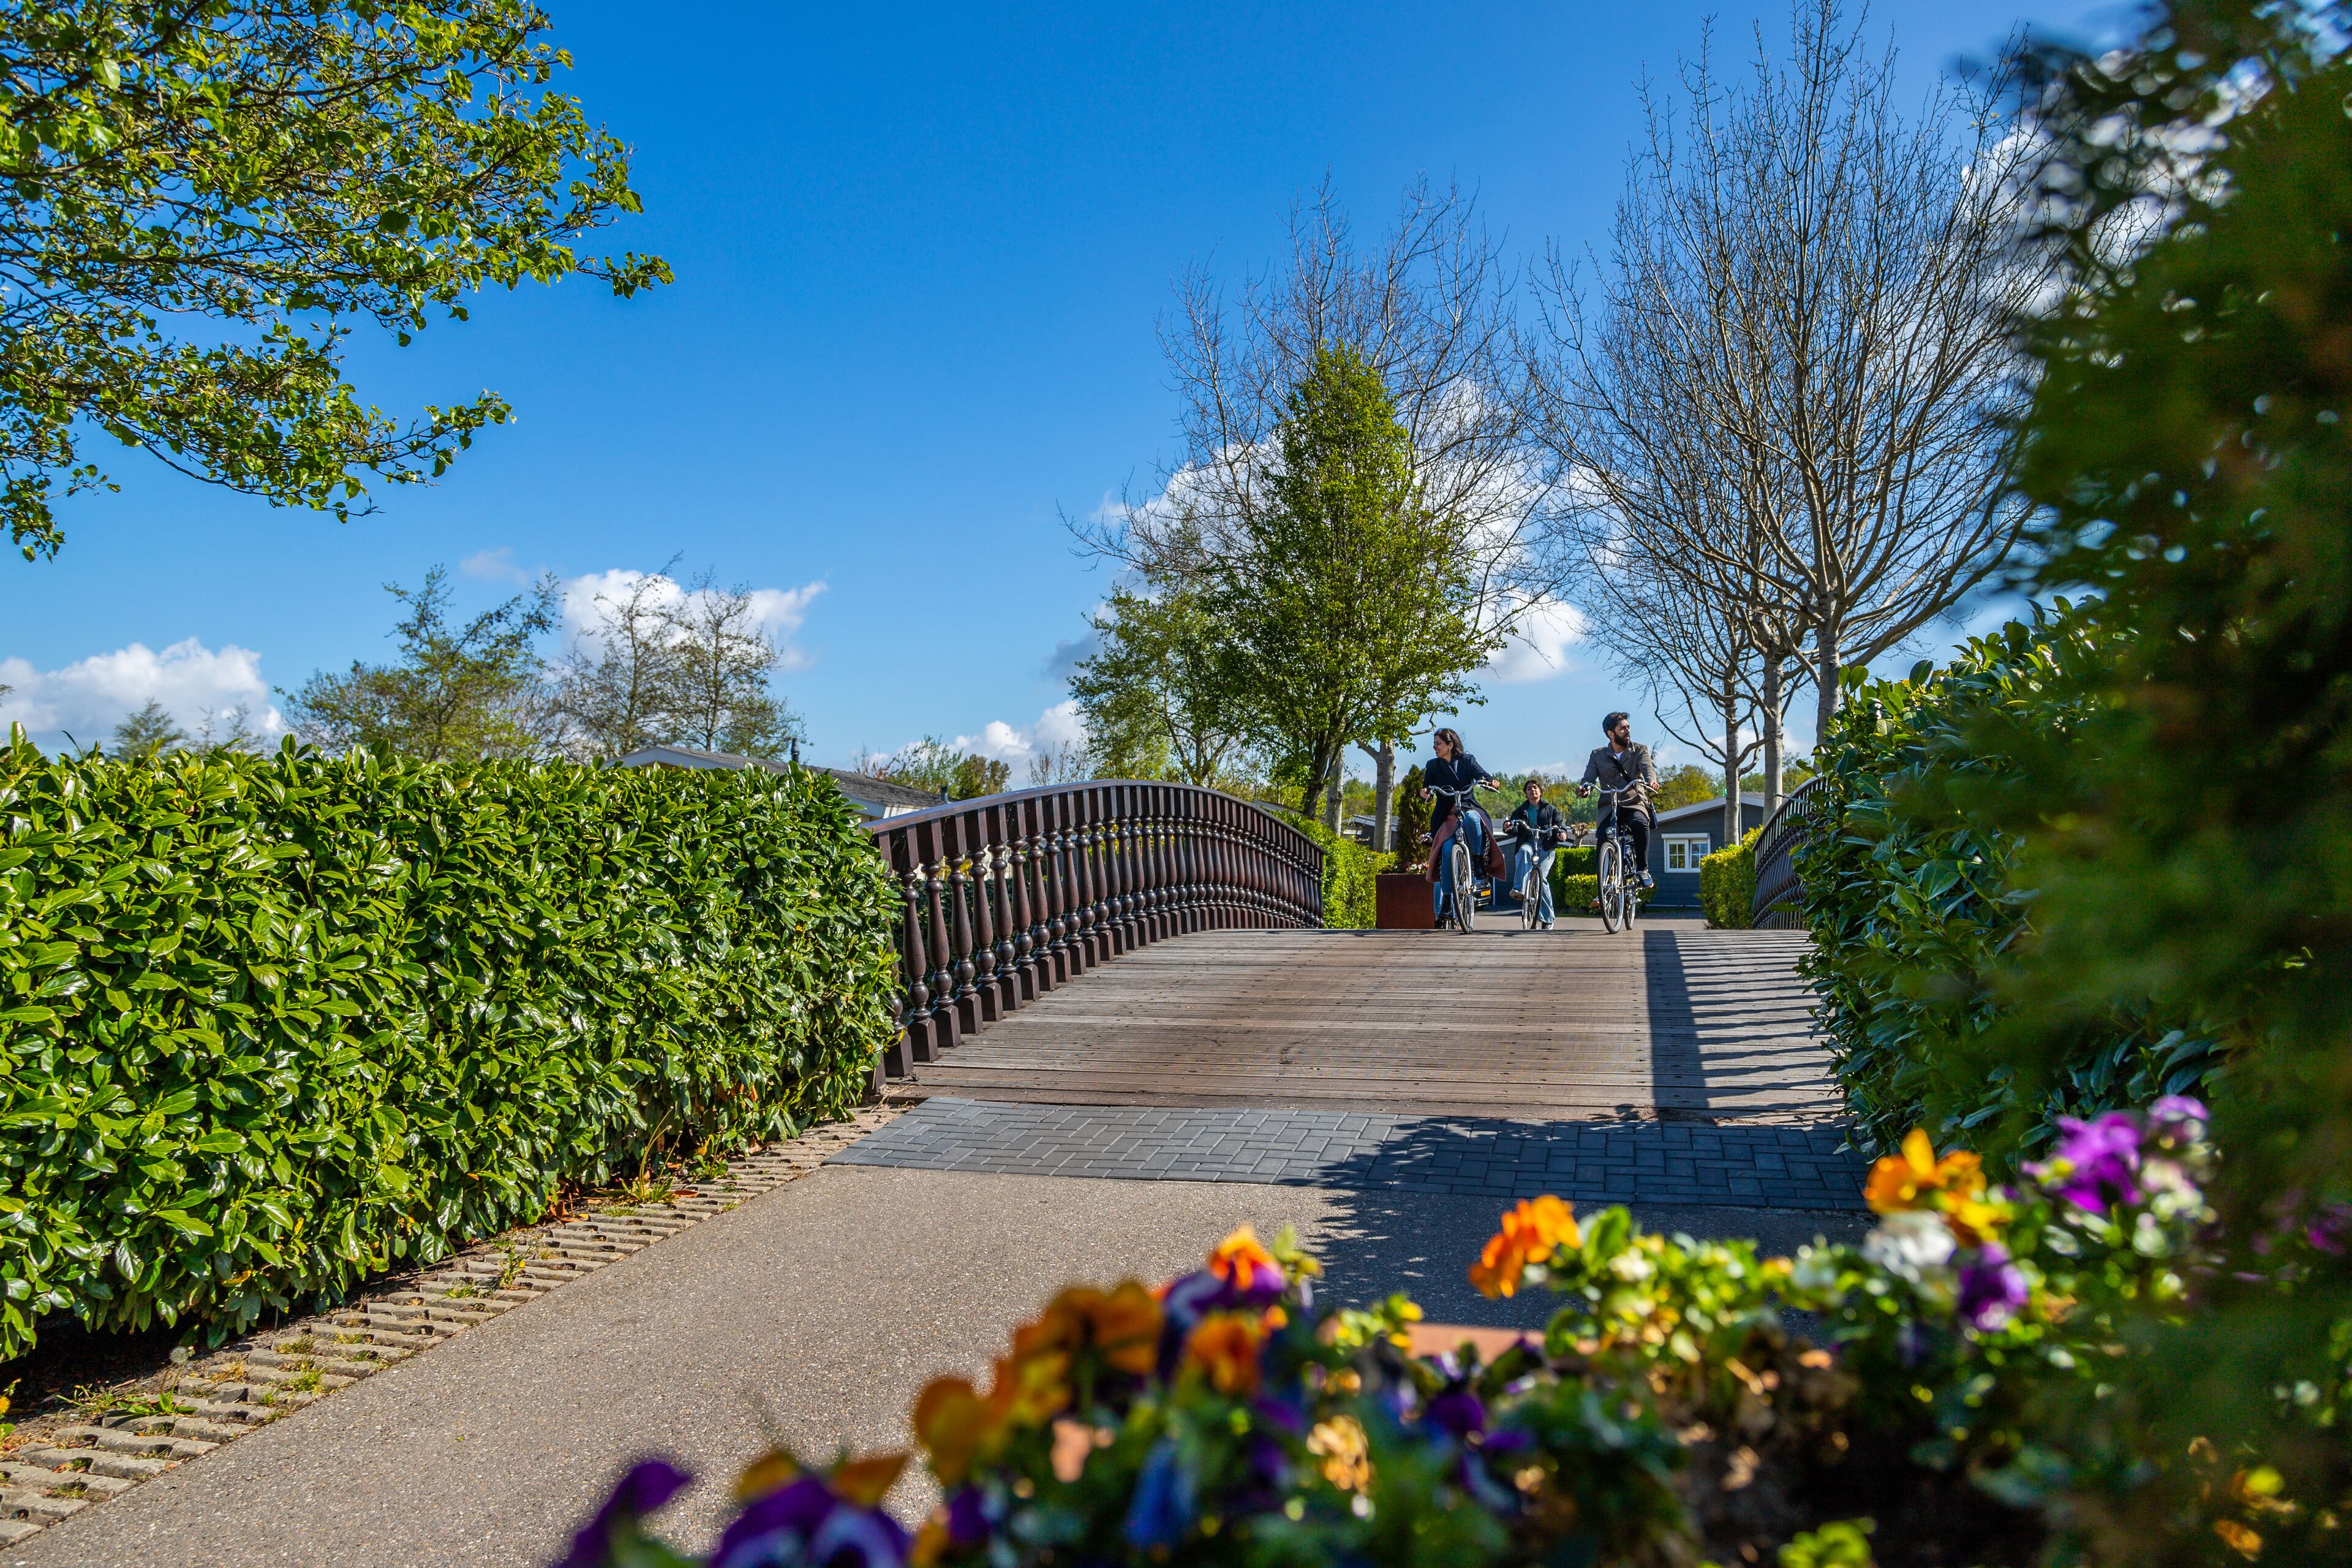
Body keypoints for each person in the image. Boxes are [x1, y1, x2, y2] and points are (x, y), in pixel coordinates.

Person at [1419, 727, 1499, 925]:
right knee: (1447, 850)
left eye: (1438, 743)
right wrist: (1425, 793)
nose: (1435, 747)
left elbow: (1483, 775)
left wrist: (1491, 781)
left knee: (1473, 819)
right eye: (1434, 744)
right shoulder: (1432, 765)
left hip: (1468, 806)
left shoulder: (1467, 760)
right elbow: (1427, 788)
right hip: (1446, 814)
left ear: (1450, 745)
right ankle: (1447, 900)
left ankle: (1478, 863)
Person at [1577, 710, 1657, 889]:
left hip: (1634, 801)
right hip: (1609, 806)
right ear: (1611, 734)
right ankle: (1604, 883)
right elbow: (1588, 778)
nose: (1628, 731)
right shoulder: (1597, 755)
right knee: (1602, 835)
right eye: (1623, 728)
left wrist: (1651, 780)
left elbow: (1648, 768)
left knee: (1639, 823)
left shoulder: (1639, 750)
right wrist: (1585, 788)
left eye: (1628, 727)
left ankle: (1642, 869)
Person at [1504, 778, 1568, 929]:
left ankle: (1548, 919)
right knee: (1524, 851)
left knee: (1541, 880)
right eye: (1529, 789)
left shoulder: (1551, 809)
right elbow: (1513, 826)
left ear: (1540, 791)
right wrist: (1508, 826)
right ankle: (1519, 888)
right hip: (1528, 843)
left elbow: (1560, 825)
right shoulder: (1521, 810)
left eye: (1535, 787)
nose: (1532, 790)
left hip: (1546, 847)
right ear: (1526, 794)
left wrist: (1562, 834)